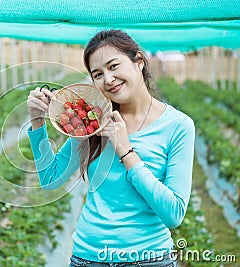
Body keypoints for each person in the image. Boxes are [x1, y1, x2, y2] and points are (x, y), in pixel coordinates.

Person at [26, 29, 195, 266]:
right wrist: (37, 122)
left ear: (139, 61)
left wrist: (126, 152)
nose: (107, 79)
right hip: (88, 257)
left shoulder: (178, 126)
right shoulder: (93, 120)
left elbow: (174, 214)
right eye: (98, 74)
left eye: (113, 66)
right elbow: (51, 179)